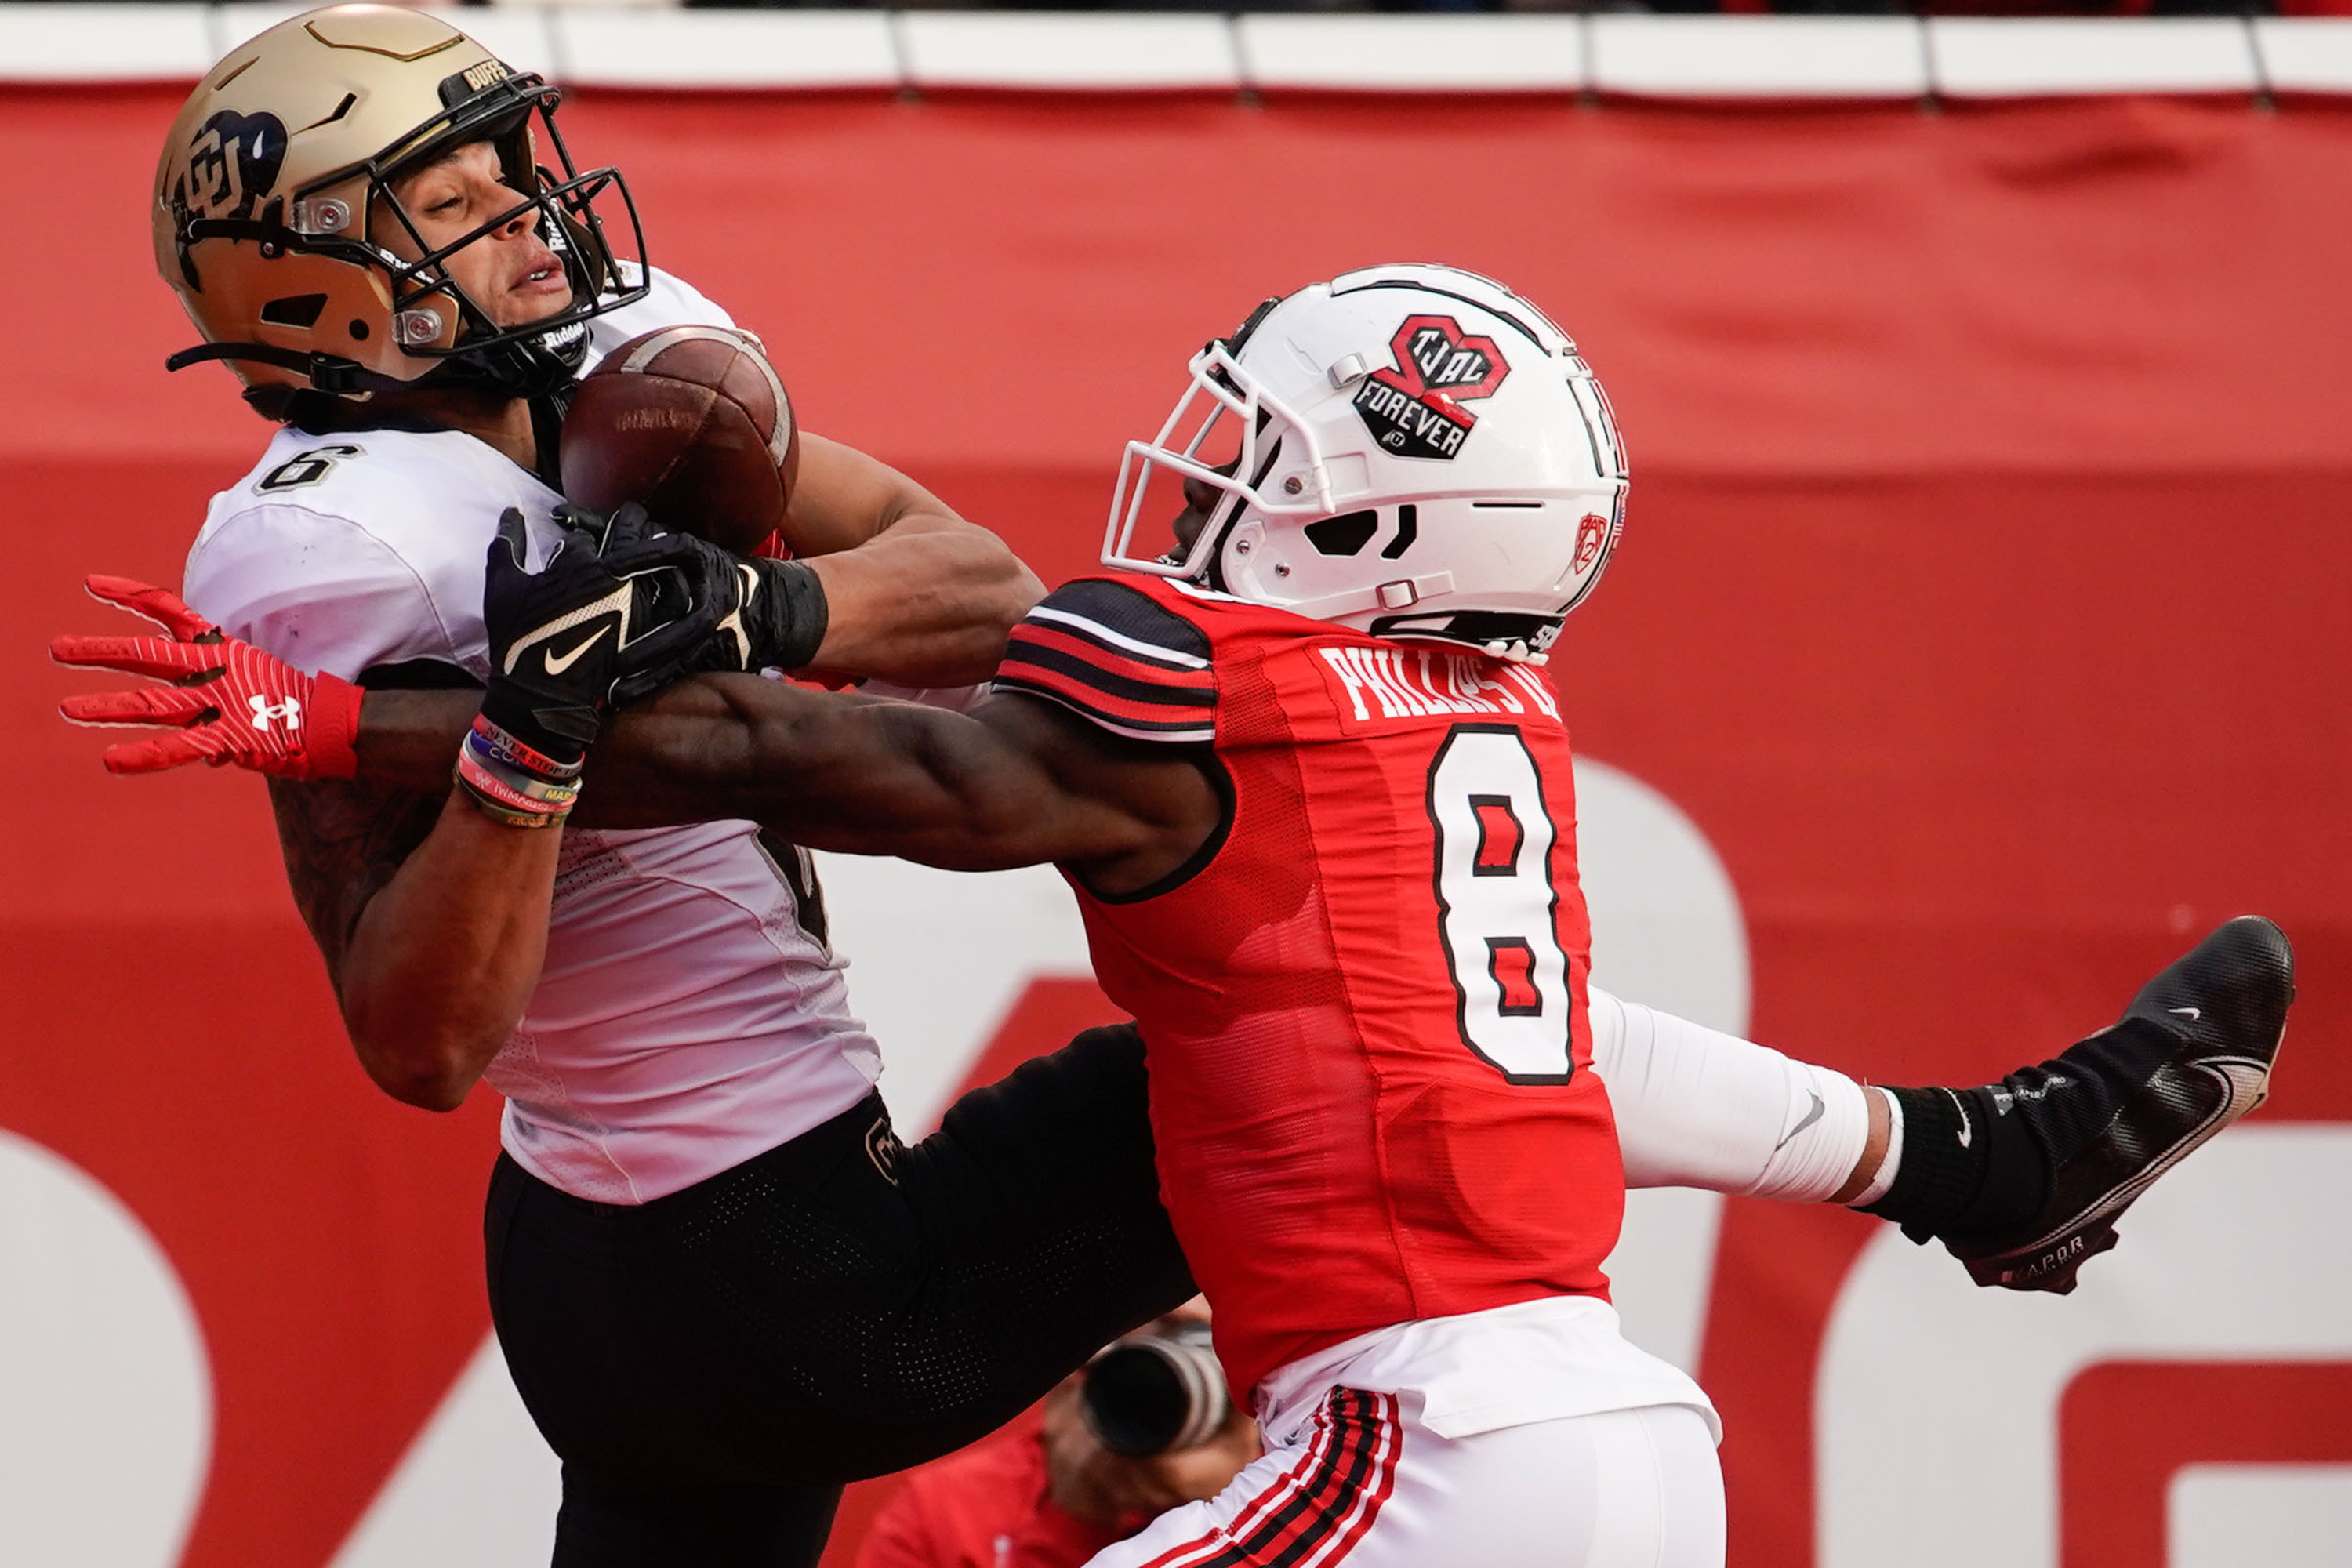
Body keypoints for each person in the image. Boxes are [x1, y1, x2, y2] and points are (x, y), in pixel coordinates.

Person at [59, 246, 2296, 1568]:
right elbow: (1542, 1044)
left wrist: (341, 725)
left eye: (1252, 457)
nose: (1197, 474)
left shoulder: (1211, 696)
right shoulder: (1478, 718)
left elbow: (786, 752)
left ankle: (1980, 1160)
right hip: (1617, 1446)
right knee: (1245, 1065)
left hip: (1433, 1452)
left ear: (1361, 523)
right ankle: (1978, 1158)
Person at [856, 1307, 1261, 1568]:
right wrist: (1074, 1515)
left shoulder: (1293, 1478)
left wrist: (1239, 1514)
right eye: (1164, 1334)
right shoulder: (946, 1510)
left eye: (1208, 1342)